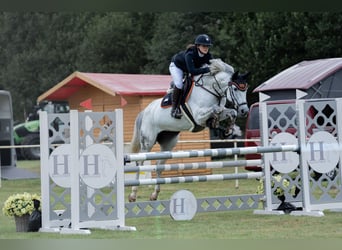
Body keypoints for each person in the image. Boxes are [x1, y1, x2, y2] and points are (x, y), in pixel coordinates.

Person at [169, 34, 214, 119]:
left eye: (208, 46)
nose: (206, 48)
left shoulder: (208, 55)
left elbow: (212, 65)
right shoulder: (190, 54)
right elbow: (192, 71)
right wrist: (207, 70)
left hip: (188, 68)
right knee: (179, 84)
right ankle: (174, 109)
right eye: (204, 46)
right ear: (198, 46)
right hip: (177, 66)